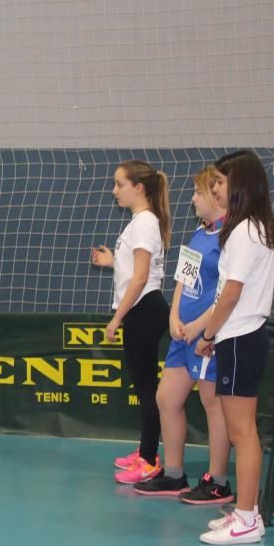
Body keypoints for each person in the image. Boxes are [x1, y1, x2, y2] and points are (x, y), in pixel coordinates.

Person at [195, 150, 274, 545]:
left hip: (239, 339)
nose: (215, 188)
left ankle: (247, 519)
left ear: (240, 186)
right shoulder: (252, 228)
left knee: (242, 433)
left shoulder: (246, 231)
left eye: (222, 183)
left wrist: (208, 336)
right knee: (239, 431)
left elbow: (230, 296)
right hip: (241, 338)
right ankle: (246, 512)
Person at [134, 166, 232, 502]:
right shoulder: (198, 234)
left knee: (212, 404)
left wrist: (200, 327)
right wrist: (175, 316)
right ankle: (174, 475)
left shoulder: (229, 238)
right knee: (166, 398)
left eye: (196, 193)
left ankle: (218, 480)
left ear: (215, 195)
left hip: (207, 336)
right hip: (182, 334)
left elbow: (225, 296)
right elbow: (183, 282)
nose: (192, 199)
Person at [91, 160, 171, 484]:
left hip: (144, 309)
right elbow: (136, 271)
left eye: (119, 184)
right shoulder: (140, 222)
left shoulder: (144, 223)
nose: (114, 191)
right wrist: (114, 261)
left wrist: (116, 318)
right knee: (144, 388)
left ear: (139, 187)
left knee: (147, 389)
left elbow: (140, 279)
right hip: (143, 307)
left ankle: (150, 460)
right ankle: (145, 451)